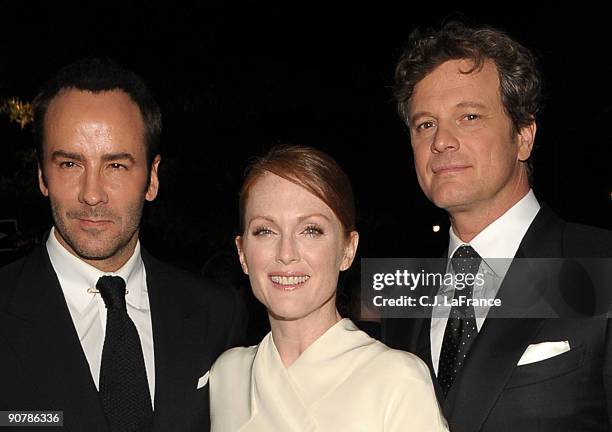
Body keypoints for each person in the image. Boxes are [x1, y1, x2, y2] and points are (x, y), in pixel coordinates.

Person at [382, 21, 612, 431]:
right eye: (425, 124)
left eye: (469, 116)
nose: (441, 141)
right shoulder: (401, 289)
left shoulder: (602, 263)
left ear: (523, 137)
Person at [0, 57, 244, 432]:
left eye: (116, 165)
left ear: (152, 178)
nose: (92, 194)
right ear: (42, 176)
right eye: (69, 164)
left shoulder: (217, 315)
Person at [209, 145, 448, 431]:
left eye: (311, 230)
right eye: (265, 230)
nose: (286, 253)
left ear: (348, 249)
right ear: (242, 253)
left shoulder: (396, 380)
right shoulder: (228, 375)